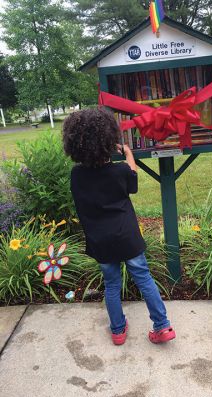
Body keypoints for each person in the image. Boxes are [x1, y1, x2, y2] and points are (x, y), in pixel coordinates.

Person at [63, 107, 176, 345]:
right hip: (127, 237)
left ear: (75, 145)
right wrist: (127, 153)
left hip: (100, 240)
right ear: (108, 139)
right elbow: (132, 178)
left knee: (111, 284)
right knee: (144, 278)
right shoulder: (120, 171)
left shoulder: (77, 176)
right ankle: (162, 326)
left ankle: (117, 330)